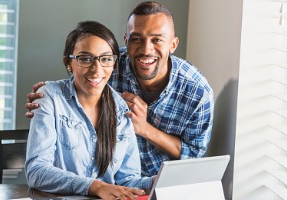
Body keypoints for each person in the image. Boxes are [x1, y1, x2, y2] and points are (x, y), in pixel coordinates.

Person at [25, 1, 214, 177]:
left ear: (173, 44)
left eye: (157, 40)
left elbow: (193, 156)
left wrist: (145, 129)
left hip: (155, 182)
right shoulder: (109, 62)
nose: (146, 49)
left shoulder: (197, 92)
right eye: (136, 39)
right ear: (126, 40)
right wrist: (48, 96)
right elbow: (80, 79)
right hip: (105, 182)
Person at [25, 20, 154, 200]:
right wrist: (94, 186)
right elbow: (36, 171)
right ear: (69, 63)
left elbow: (127, 181)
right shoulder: (50, 98)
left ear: (114, 64)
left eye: (106, 59)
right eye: (85, 59)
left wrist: (156, 182)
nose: (96, 69)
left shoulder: (121, 109)